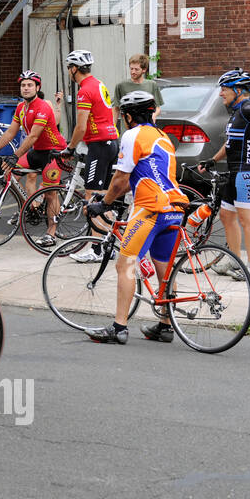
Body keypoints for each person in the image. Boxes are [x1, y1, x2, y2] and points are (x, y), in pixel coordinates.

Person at [84, 91, 189, 345]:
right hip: (174, 208)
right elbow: (146, 177)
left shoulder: (132, 135)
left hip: (149, 210)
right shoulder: (163, 138)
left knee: (125, 264)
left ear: (129, 116)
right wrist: (117, 194)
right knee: (165, 269)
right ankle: (165, 326)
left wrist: (104, 203)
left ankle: (119, 327)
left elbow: (120, 179)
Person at [202, 70, 250, 282]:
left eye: (224, 89)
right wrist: (213, 160)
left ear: (238, 90)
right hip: (235, 171)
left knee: (247, 221)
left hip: (249, 173)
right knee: (227, 217)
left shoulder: (249, 107)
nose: (220, 94)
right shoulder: (236, 112)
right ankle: (235, 260)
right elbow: (231, 144)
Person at [0, 71, 68, 244]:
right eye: (23, 85)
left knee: (50, 193)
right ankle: (31, 207)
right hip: (38, 151)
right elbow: (11, 132)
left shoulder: (42, 107)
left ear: (37, 87)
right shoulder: (21, 107)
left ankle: (51, 233)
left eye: (30, 85)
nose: (26, 88)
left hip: (54, 152)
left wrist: (15, 155)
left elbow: (32, 136)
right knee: (9, 174)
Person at [56, 49, 119, 262]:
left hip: (99, 145)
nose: (68, 72)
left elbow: (80, 127)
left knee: (91, 197)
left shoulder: (84, 90)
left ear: (74, 69)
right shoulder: (99, 84)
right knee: (103, 198)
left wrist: (70, 148)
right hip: (111, 142)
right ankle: (109, 246)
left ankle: (96, 250)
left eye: (68, 68)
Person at [113, 53, 164, 132]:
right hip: (127, 131)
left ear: (144, 70)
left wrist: (154, 115)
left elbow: (157, 108)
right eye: (131, 69)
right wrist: (113, 128)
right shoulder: (121, 86)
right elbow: (116, 109)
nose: (133, 72)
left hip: (147, 131)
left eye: (136, 69)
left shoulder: (152, 85)